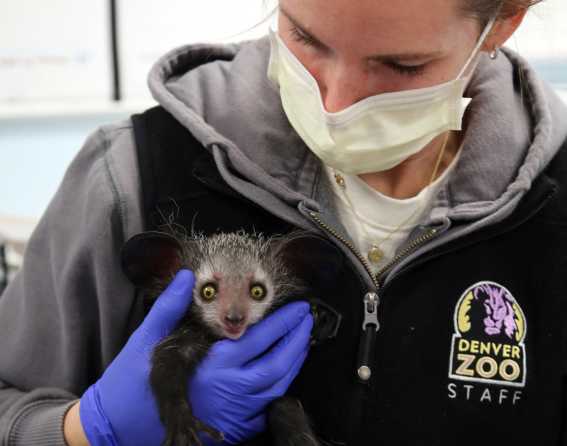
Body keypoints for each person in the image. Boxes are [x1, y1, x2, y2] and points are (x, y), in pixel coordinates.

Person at [1, 0, 566, 444]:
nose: (335, 105)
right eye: (305, 38)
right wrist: (84, 433)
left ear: (503, 22)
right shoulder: (130, 175)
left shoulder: (552, 207)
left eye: (402, 64)